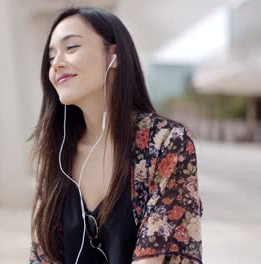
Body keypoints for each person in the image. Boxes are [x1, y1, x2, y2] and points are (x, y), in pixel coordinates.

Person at [27, 6, 203, 264]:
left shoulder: (167, 143)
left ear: (114, 55)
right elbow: (41, 256)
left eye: (71, 47)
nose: (57, 64)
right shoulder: (56, 153)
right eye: (51, 57)